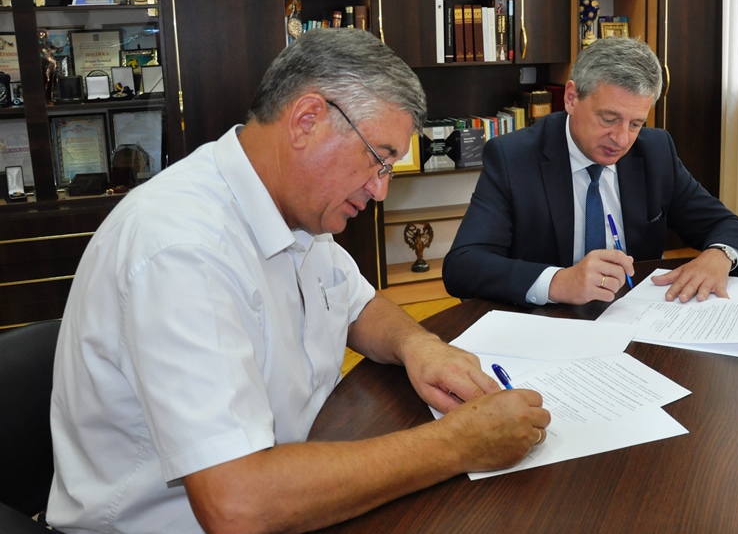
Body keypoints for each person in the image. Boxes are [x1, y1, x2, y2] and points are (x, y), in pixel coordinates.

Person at [47, 28, 550, 534]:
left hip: (300, 475)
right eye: (377, 159)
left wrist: (419, 347)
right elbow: (237, 506)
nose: (379, 190)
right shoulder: (182, 251)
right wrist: (458, 444)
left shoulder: (295, 206)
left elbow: (356, 305)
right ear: (307, 120)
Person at [443, 36, 738, 307]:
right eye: (608, 119)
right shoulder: (513, 158)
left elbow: (727, 225)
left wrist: (719, 256)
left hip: (634, 318)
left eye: (635, 124)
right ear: (571, 98)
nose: (621, 139)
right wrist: (559, 282)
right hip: (547, 323)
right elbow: (463, 266)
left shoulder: (655, 152)